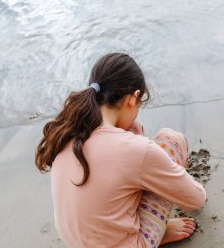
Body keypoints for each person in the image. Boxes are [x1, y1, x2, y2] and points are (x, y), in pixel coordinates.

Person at [35, 53, 206, 247]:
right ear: (133, 98)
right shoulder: (136, 150)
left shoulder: (67, 132)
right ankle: (152, 233)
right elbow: (196, 200)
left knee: (134, 133)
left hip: (78, 242)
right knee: (172, 140)